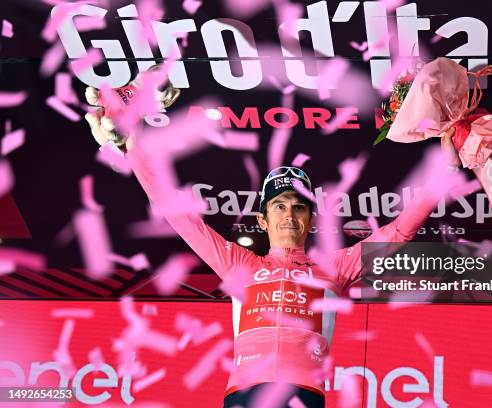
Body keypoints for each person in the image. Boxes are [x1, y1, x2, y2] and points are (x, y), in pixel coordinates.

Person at [84, 84, 459, 408]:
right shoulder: (236, 263)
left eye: (299, 207)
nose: (289, 215)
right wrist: (132, 148)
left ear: (312, 220)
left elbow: (398, 232)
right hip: (244, 394)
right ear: (262, 220)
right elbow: (176, 213)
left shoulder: (335, 267)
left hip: (303, 392)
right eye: (279, 206)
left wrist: (443, 172)